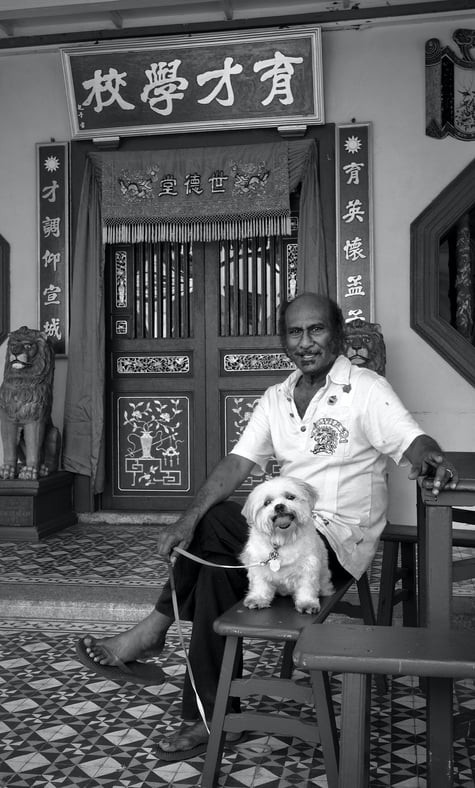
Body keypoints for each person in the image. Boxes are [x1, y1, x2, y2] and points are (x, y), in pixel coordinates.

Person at [77, 292, 458, 761]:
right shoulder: (276, 397)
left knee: (217, 520)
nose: (306, 342)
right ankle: (208, 718)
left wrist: (429, 457)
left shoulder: (367, 389)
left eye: (316, 330)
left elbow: (410, 438)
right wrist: (186, 518)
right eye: (295, 332)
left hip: (333, 544)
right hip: (279, 539)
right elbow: (238, 463)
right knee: (216, 563)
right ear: (283, 340)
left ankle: (154, 629)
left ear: (336, 333)